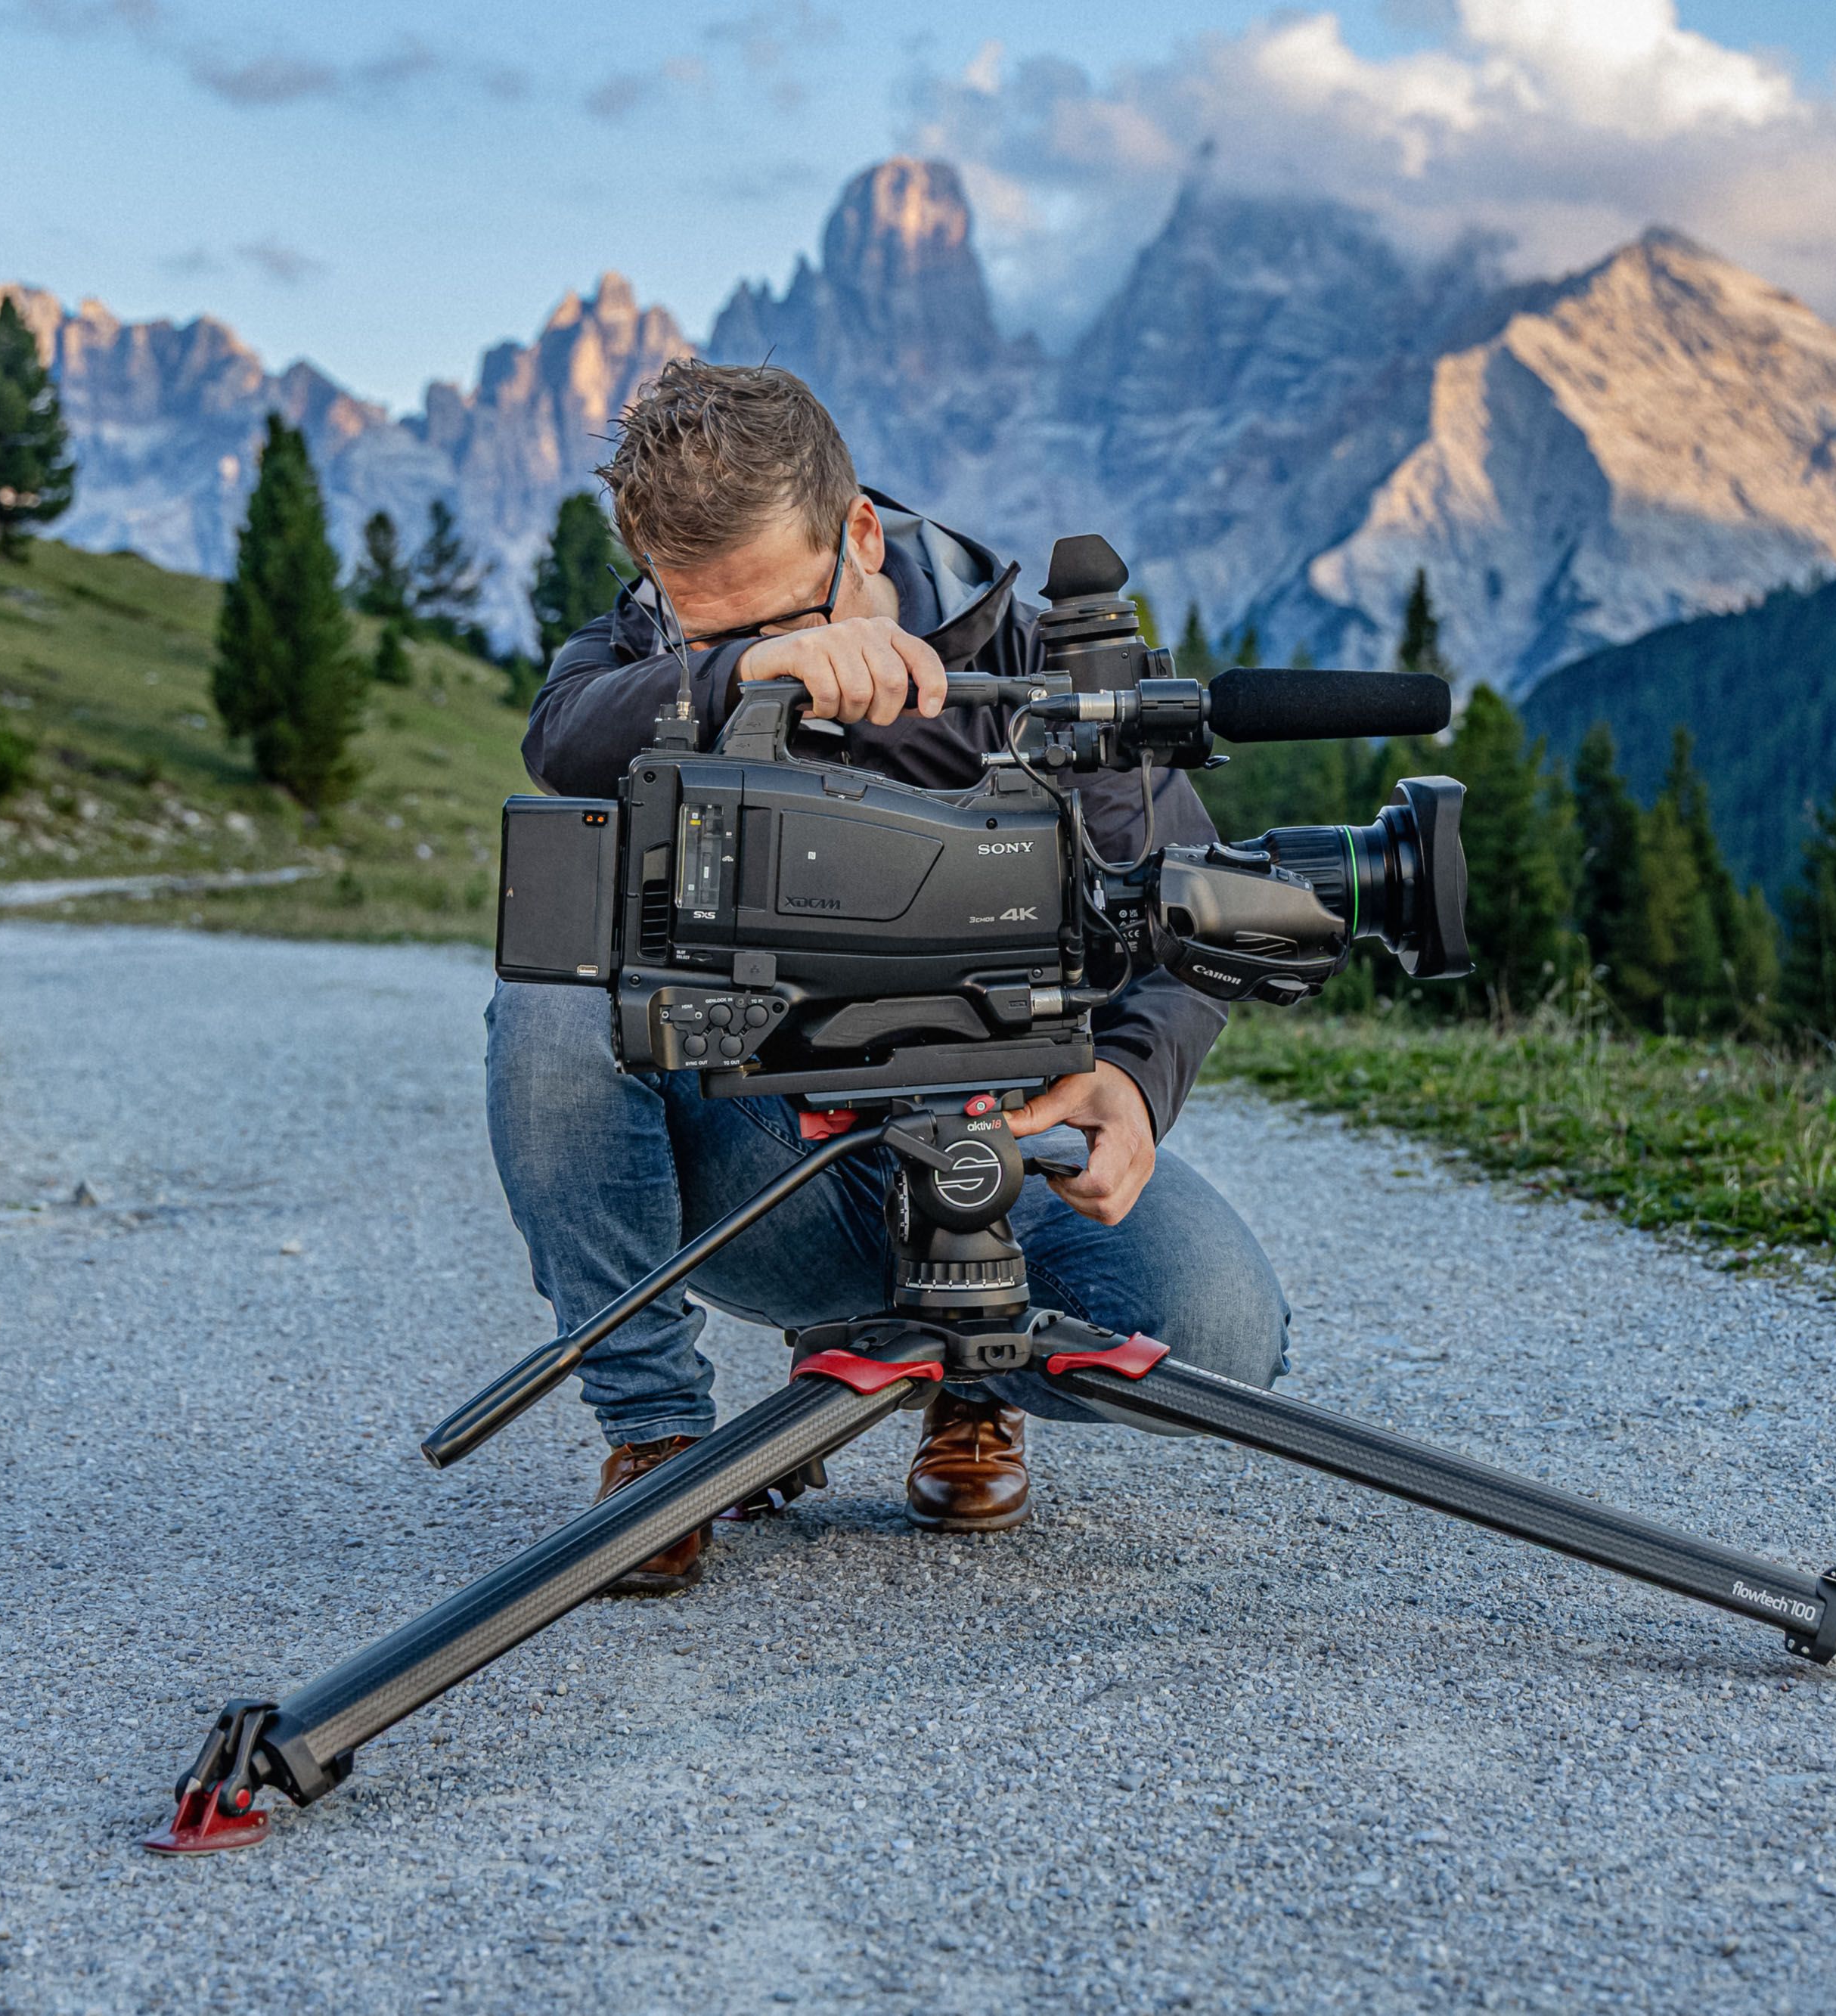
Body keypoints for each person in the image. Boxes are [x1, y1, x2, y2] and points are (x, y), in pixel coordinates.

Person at [488, 359, 1291, 1592]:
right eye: (710, 628)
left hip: (990, 1151)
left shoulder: (1019, 646)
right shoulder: (653, 647)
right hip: (767, 1162)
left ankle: (961, 1372)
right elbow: (563, 739)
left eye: (786, 616)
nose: (761, 650)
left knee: (1222, 1331)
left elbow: (1184, 887)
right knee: (549, 991)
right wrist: (737, 675)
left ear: (861, 529)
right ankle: (658, 1441)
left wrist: (1132, 1080)